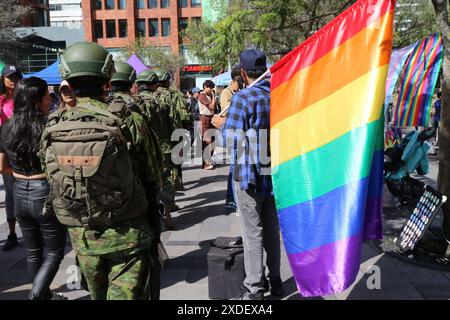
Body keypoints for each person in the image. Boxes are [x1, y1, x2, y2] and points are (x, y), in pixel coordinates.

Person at [39, 42, 160, 300]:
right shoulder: (127, 118)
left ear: (67, 82)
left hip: (83, 237)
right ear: (107, 78)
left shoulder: (56, 122)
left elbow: (50, 175)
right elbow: (153, 173)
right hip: (129, 234)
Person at [212, 49, 283, 300]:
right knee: (272, 229)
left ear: (243, 72)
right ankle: (276, 279)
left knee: (253, 232)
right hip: (275, 171)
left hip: (249, 172)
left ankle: (254, 287)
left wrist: (220, 125)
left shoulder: (243, 97)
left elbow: (231, 140)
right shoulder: (278, 94)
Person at [0, 77, 67, 300]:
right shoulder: (49, 125)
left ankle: (44, 295)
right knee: (55, 252)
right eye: (48, 97)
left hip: (19, 192)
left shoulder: (7, 125)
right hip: (44, 192)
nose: (51, 100)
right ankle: (36, 296)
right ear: (37, 100)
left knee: (33, 250)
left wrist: (20, 174)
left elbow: (2, 166)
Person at [136, 69, 180, 230]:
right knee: (166, 179)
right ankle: (167, 211)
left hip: (141, 149)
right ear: (154, 84)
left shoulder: (131, 102)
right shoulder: (164, 98)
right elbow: (175, 121)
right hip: (164, 146)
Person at [0, 65, 22, 251]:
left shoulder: (25, 100)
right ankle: (12, 233)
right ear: (3, 79)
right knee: (10, 192)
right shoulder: (0, 101)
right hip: (6, 151)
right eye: (9, 77)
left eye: (16, 77)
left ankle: (33, 230)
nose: (13, 80)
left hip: (24, 150)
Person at [219, 65, 244, 211]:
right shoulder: (226, 93)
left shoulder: (238, 92)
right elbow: (226, 114)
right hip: (231, 132)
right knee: (235, 167)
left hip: (239, 133)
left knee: (235, 167)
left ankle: (231, 198)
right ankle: (233, 199)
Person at [198, 80, 217, 170]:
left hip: (211, 118)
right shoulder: (202, 96)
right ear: (205, 86)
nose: (211, 90)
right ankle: (206, 163)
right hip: (205, 119)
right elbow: (211, 106)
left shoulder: (209, 96)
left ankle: (208, 161)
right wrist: (214, 96)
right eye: (210, 87)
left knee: (213, 140)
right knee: (207, 141)